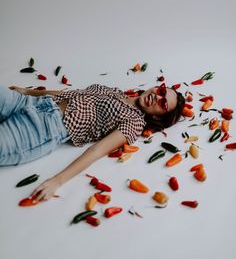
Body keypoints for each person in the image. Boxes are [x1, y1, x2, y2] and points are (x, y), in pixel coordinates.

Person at [0, 83, 185, 202]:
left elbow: (96, 151)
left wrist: (57, 181)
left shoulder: (134, 123)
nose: (158, 97)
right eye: (161, 91)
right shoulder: (114, 90)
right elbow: (72, 93)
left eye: (163, 104)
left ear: (158, 116)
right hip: (29, 102)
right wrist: (28, 91)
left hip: (42, 128)